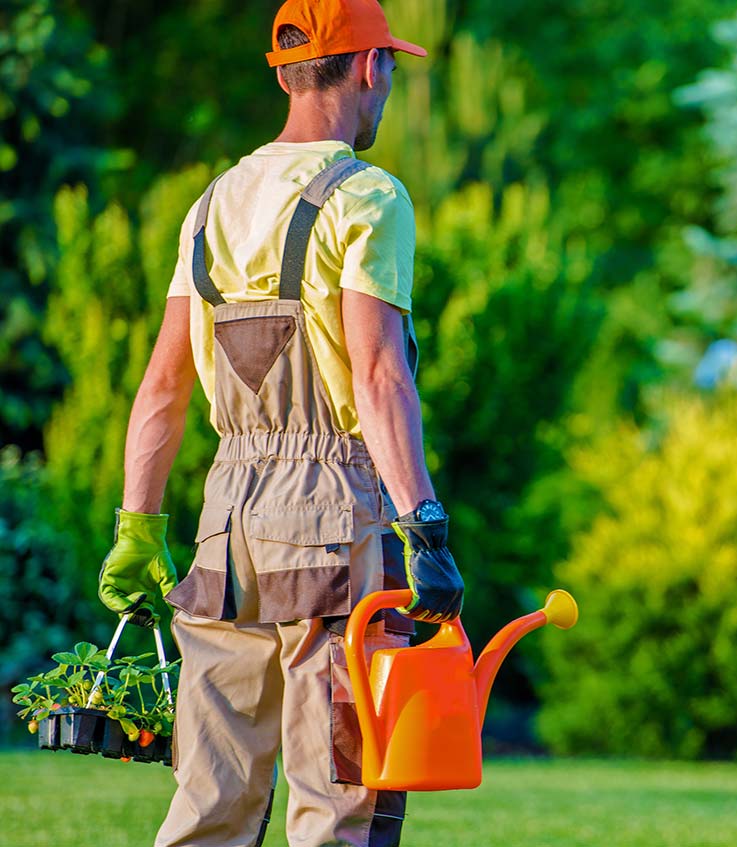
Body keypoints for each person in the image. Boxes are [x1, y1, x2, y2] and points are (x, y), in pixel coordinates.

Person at [95, 1, 463, 844]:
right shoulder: (370, 197)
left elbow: (161, 386)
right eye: (391, 69)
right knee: (341, 793)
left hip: (226, 521)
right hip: (335, 516)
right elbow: (378, 373)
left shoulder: (212, 203)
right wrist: (426, 526)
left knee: (210, 799)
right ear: (369, 68)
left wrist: (137, 524)